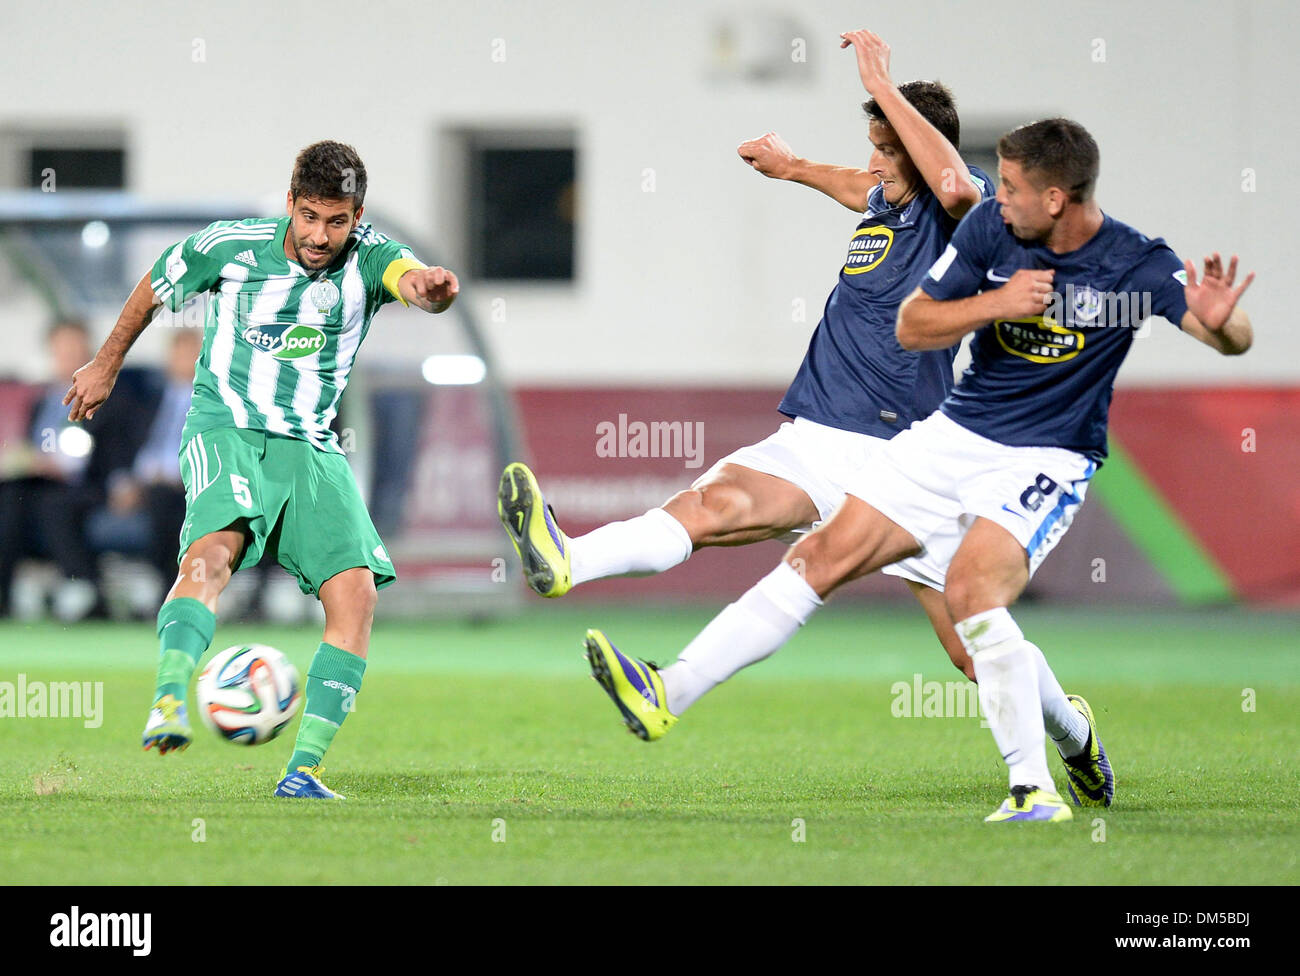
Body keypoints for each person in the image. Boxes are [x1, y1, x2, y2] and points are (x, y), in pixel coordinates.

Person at [586, 118, 1254, 823]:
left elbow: (1226, 335)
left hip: (1048, 455)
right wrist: (996, 303)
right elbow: (915, 325)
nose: (1001, 198)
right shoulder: (991, 234)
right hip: (954, 435)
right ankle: (669, 693)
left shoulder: (1134, 261)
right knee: (819, 555)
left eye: (1016, 187)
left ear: (1057, 198)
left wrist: (1223, 325)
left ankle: (1034, 788)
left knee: (972, 597)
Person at [502, 31, 1098, 779]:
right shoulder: (888, 202)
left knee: (973, 648)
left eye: (885, 145)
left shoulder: (964, 206)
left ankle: (1074, 738)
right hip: (818, 438)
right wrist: (789, 169)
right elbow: (857, 185)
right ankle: (567, 563)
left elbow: (949, 184)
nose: (875, 161)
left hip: (908, 461)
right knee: (711, 506)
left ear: (919, 145)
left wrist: (882, 83)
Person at [63, 140, 460, 799]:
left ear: (357, 217)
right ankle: (168, 700)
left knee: (356, 594)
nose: (319, 235)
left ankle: (302, 771)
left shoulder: (372, 258)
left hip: (310, 444)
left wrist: (434, 290)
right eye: (309, 217)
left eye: (337, 222)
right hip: (229, 429)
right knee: (213, 556)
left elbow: (414, 283)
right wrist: (104, 364)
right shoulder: (232, 246)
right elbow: (155, 284)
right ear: (290, 205)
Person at [0, 319, 144, 620]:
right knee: (10, 496)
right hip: (37, 481)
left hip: (85, 485)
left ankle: (85, 585)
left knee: (51, 503)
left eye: (75, 348)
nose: (69, 355)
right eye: (63, 349)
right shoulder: (41, 401)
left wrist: (123, 483)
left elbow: (119, 452)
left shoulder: (113, 399)